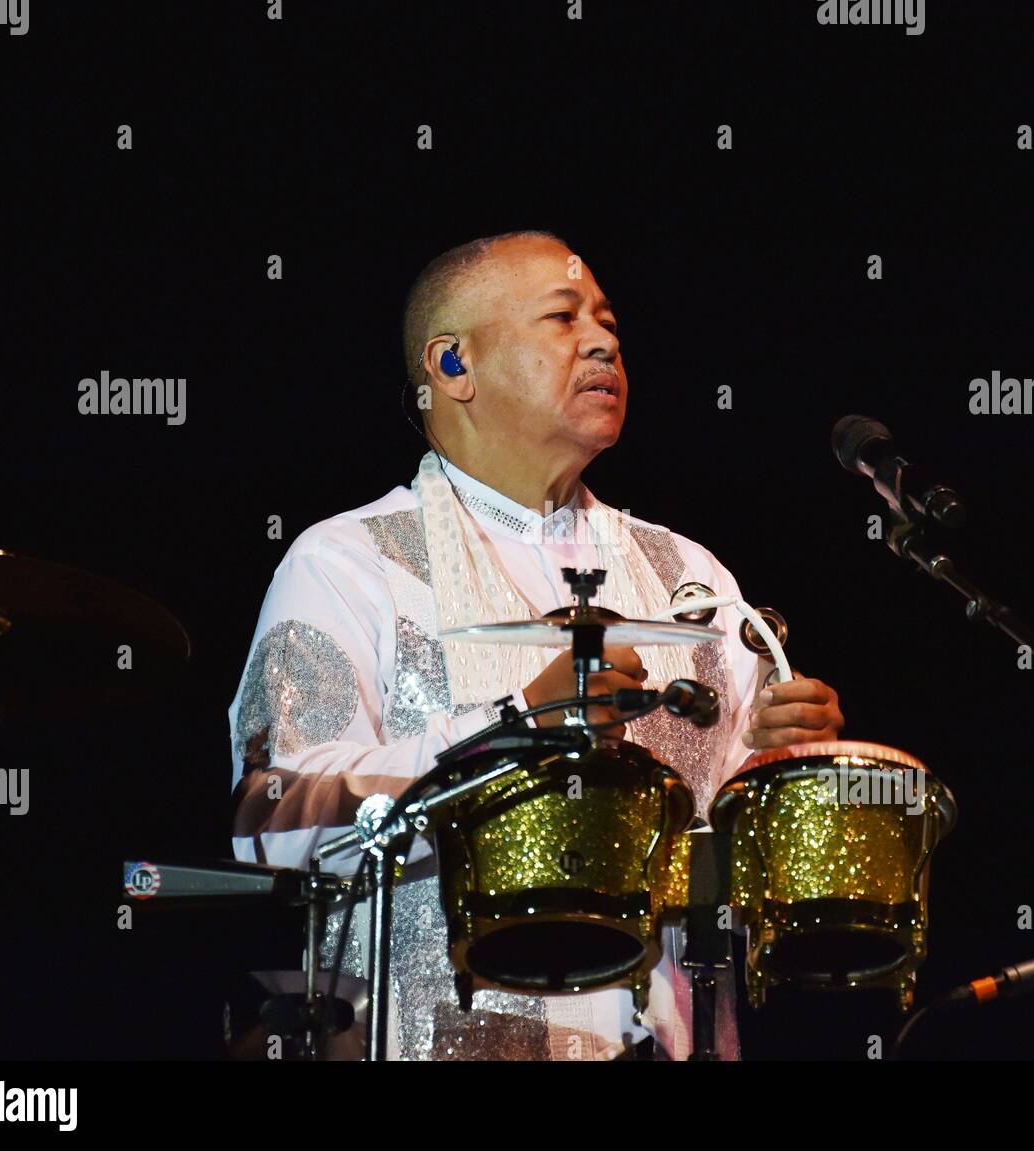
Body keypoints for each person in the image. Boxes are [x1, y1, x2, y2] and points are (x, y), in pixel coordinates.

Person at [228, 230, 844, 1060]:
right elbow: (273, 818)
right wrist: (514, 724)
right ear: (452, 367)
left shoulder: (687, 576)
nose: (603, 341)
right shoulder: (351, 561)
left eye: (608, 322)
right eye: (562, 318)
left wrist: (782, 767)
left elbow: (738, 863)